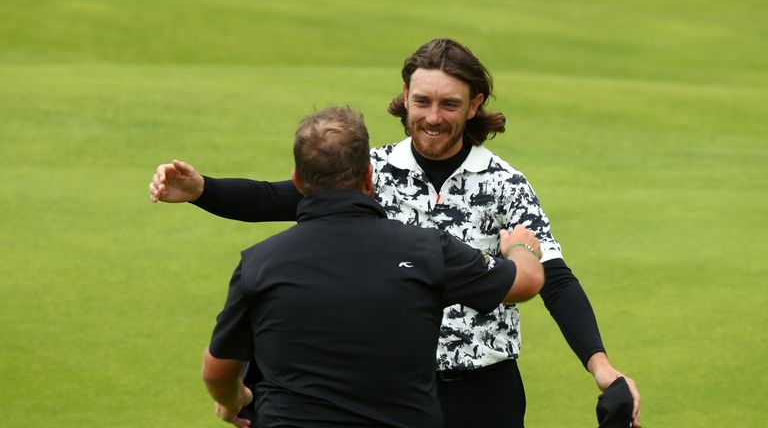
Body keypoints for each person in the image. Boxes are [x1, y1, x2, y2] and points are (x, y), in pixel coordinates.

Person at [152, 38, 640, 427]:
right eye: (422, 100)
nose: (432, 116)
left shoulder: (505, 183)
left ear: (474, 106)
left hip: (483, 388)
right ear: (404, 98)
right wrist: (202, 190)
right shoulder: (369, 169)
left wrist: (602, 367)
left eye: (449, 103)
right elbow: (273, 198)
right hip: (386, 390)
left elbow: (552, 277)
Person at [201, 106, 545, 428]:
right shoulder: (428, 250)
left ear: (297, 181)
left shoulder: (259, 263)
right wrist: (520, 246)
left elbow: (217, 371)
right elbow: (525, 282)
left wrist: (236, 399)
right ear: (369, 177)